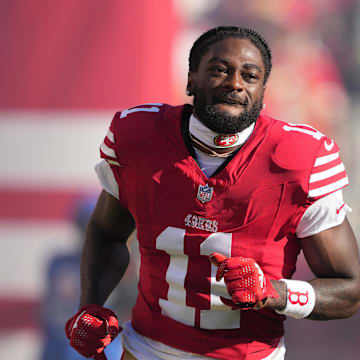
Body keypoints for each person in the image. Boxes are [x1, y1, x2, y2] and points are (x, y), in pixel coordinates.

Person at [65, 26, 360, 360]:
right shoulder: (140, 137)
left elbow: (349, 289)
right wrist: (90, 305)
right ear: (191, 80)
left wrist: (275, 292)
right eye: (220, 70)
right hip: (146, 349)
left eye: (249, 76)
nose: (235, 83)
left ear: (262, 91)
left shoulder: (299, 159)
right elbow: (107, 230)